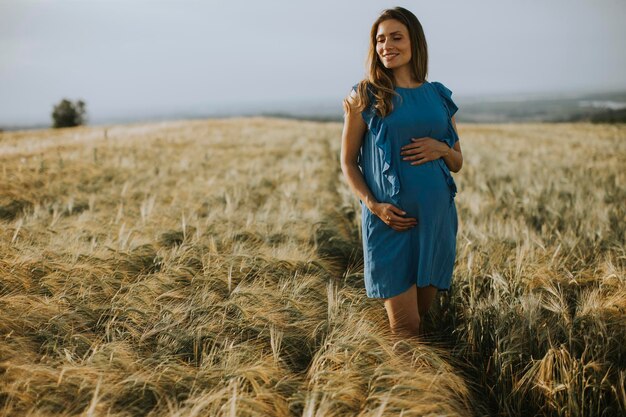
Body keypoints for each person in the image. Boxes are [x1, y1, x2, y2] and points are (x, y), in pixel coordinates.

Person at [340, 7, 463, 339]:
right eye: (380, 40)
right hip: (389, 223)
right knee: (406, 329)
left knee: (419, 320)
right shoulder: (365, 95)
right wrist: (374, 205)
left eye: (396, 37)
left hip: (436, 222)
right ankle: (402, 390)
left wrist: (441, 149)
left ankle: (407, 386)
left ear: (414, 42)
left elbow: (457, 161)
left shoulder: (438, 95)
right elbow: (348, 162)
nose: (386, 46)